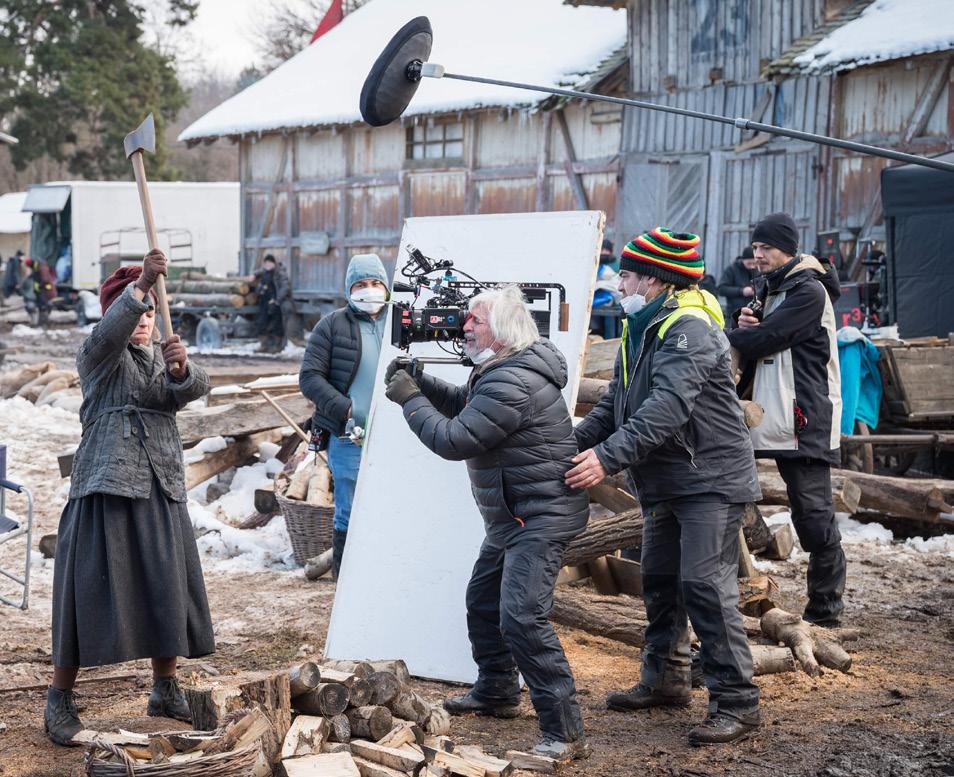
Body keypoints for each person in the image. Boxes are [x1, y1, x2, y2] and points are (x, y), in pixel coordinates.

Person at [567, 228, 761, 746]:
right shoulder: (642, 326)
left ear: (653, 280)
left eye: (627, 275)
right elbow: (615, 404)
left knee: (705, 585)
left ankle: (737, 702)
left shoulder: (688, 328)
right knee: (659, 579)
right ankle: (666, 679)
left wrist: (605, 459)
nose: (619, 285)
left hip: (709, 480)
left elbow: (667, 409)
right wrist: (567, 446)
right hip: (669, 481)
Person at [383, 286, 590, 761]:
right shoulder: (503, 369)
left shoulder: (511, 380)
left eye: (475, 320)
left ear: (502, 331)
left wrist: (411, 400)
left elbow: (455, 439)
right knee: (483, 601)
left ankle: (566, 732)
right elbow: (467, 406)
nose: (465, 326)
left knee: (522, 617)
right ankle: (497, 689)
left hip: (538, 517)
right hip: (516, 514)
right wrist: (423, 382)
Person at [46, 249, 215, 747]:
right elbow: (109, 334)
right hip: (107, 485)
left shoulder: (158, 358)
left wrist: (182, 371)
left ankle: (165, 687)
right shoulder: (98, 355)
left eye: (151, 312)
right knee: (85, 592)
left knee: (167, 586)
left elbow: (188, 390)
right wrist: (141, 284)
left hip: (160, 484)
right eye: (136, 309)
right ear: (115, 311)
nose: (144, 319)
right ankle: (59, 698)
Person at [727, 212, 845, 626]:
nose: (758, 255)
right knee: (725, 486)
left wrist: (731, 336)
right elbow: (760, 330)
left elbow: (769, 337)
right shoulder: (772, 286)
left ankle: (825, 610)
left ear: (788, 250)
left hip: (804, 417)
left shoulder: (808, 291)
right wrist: (743, 321)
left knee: (813, 516)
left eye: (766, 248)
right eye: (755, 247)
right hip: (771, 412)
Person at [299, 254, 390, 578]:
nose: (370, 290)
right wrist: (346, 407)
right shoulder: (332, 326)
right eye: (361, 284)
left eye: (376, 283)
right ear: (349, 289)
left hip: (395, 433)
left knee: (389, 505)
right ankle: (346, 581)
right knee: (349, 509)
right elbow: (310, 377)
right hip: (348, 433)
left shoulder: (398, 323)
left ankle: (383, 576)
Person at [250, 254, 292, 352]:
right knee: (262, 322)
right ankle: (264, 345)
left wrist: (277, 300)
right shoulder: (264, 272)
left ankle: (277, 346)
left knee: (276, 324)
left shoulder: (280, 273)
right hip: (264, 302)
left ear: (274, 263)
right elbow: (260, 271)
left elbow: (285, 287)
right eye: (266, 263)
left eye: (270, 263)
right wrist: (254, 275)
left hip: (276, 302)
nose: (268, 265)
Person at [719, 246, 758, 322]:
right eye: (749, 263)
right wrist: (742, 291)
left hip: (753, 315)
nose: (752, 266)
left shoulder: (759, 269)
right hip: (734, 315)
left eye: (754, 263)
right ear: (743, 260)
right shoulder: (732, 269)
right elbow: (721, 289)